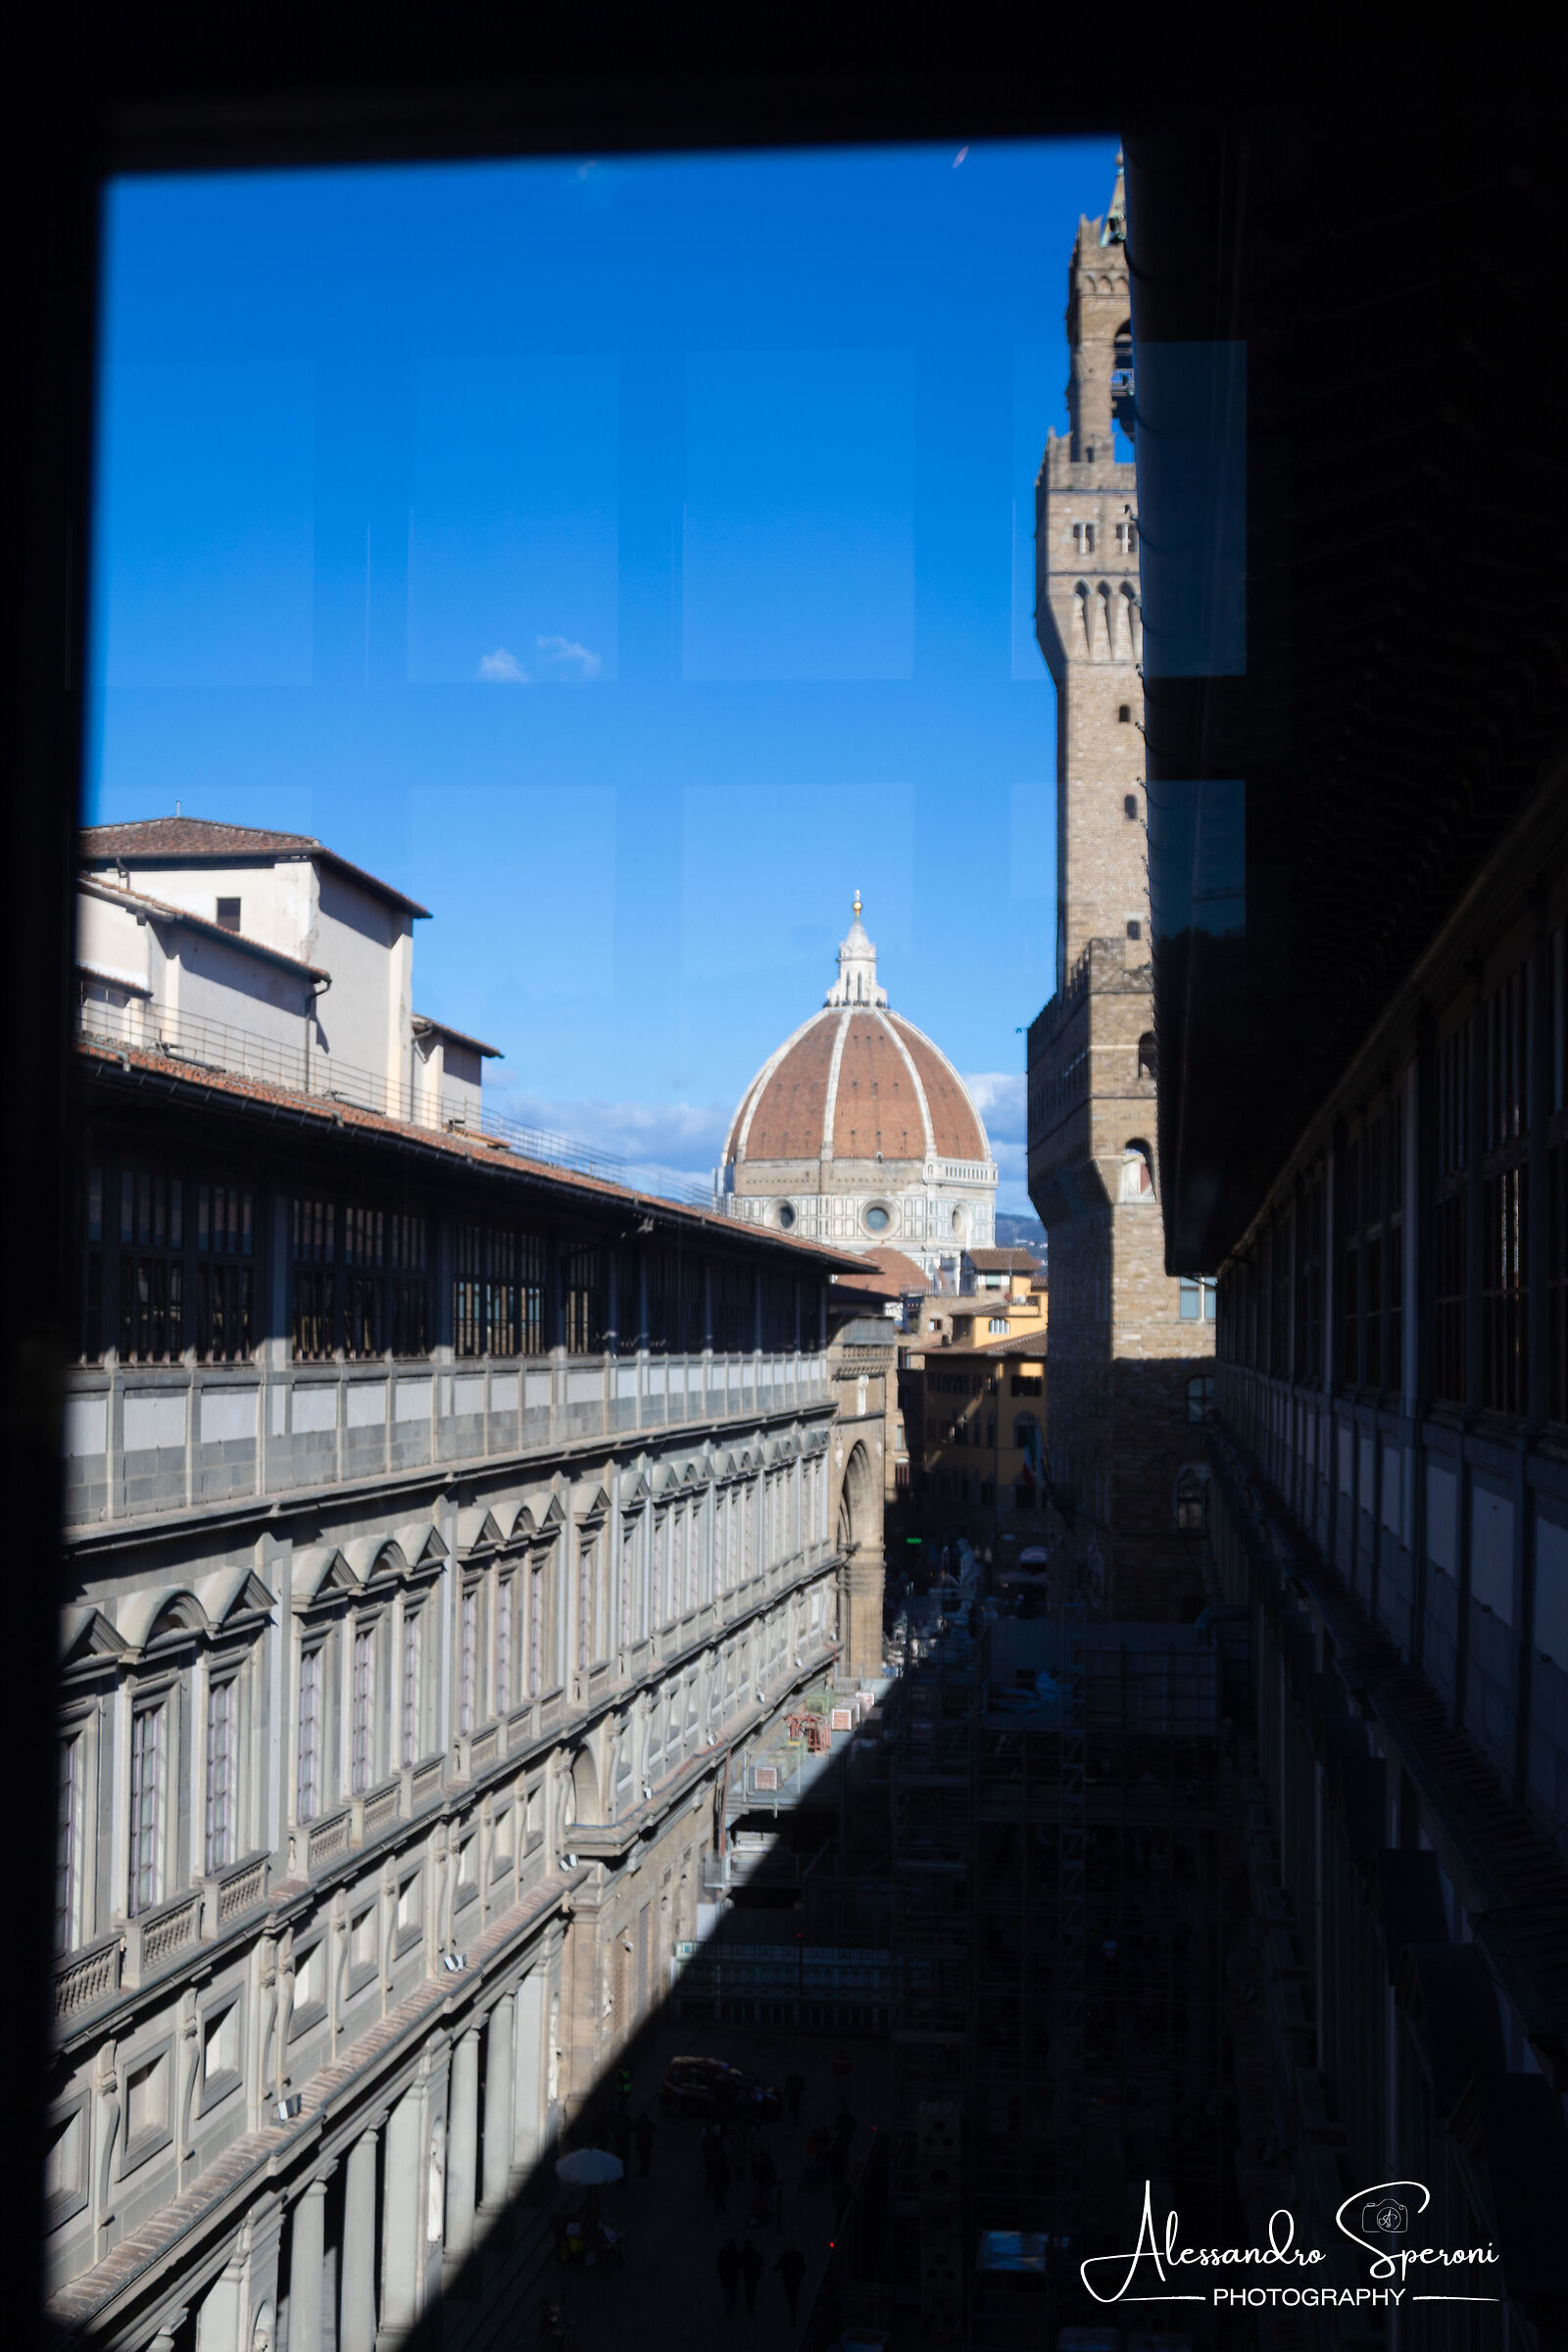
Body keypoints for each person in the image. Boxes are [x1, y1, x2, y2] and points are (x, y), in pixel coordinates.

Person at [775, 2244, 807, 2326]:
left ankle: (793, 2311)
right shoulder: (796, 2256)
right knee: (792, 2294)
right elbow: (803, 2266)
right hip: (793, 2280)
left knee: (790, 2294)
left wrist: (776, 2269)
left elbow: (779, 2263)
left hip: (790, 2280)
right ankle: (793, 2307)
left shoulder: (788, 2255)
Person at [716, 2237, 742, 2317]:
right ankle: (730, 2305)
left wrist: (721, 2273)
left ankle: (729, 2306)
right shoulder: (735, 2252)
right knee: (731, 2290)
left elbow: (719, 2264)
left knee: (728, 2292)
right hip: (732, 2276)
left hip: (727, 2276)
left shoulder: (724, 2252)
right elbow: (740, 2263)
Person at [739, 2237, 764, 2315]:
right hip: (753, 2274)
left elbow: (740, 2263)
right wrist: (758, 2267)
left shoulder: (744, 2252)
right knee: (752, 2290)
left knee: (748, 2290)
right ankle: (751, 2306)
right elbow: (761, 2260)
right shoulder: (753, 2251)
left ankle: (749, 2305)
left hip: (747, 2274)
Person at [633, 2109, 656, 2177]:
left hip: (643, 2143)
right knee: (645, 2158)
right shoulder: (647, 2123)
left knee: (643, 2158)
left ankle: (643, 2171)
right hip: (646, 2143)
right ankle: (644, 2171)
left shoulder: (640, 2124)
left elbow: (634, 2129)